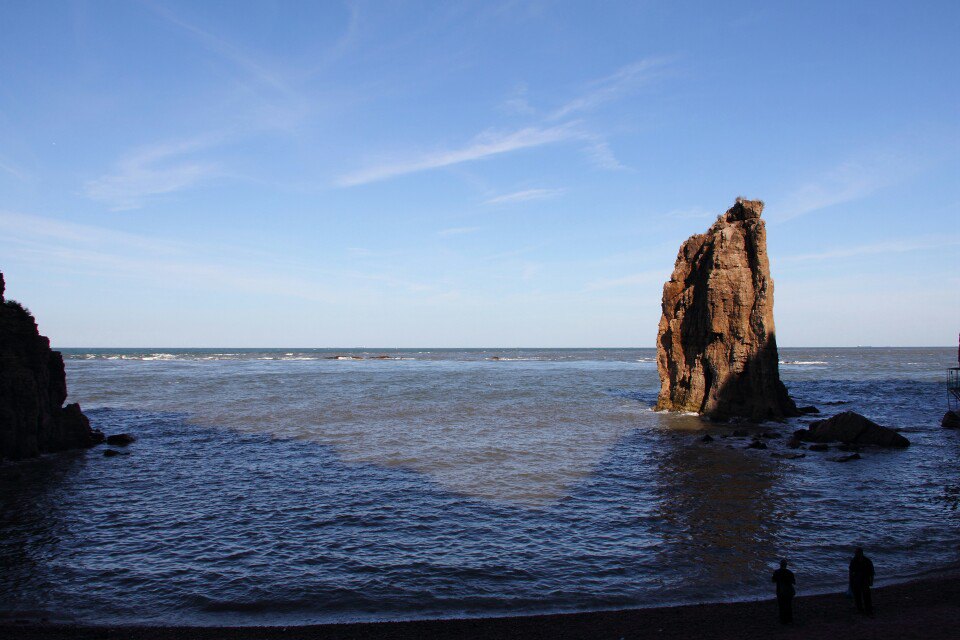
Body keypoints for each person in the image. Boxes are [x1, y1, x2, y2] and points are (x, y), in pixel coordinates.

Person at [849, 547, 875, 615]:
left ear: (861, 553)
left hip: (865, 580)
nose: (856, 554)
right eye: (855, 553)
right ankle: (859, 609)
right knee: (857, 596)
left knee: (866, 595)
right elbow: (851, 572)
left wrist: (871, 581)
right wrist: (851, 582)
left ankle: (868, 608)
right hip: (856, 581)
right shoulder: (853, 561)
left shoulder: (867, 561)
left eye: (857, 553)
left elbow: (871, 572)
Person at [772, 559, 796, 624]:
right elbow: (794, 582)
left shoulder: (776, 572)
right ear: (786, 565)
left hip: (780, 591)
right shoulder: (790, 572)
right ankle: (789, 619)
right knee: (788, 605)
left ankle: (782, 620)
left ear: (780, 564)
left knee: (781, 605)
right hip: (789, 591)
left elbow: (773, 581)